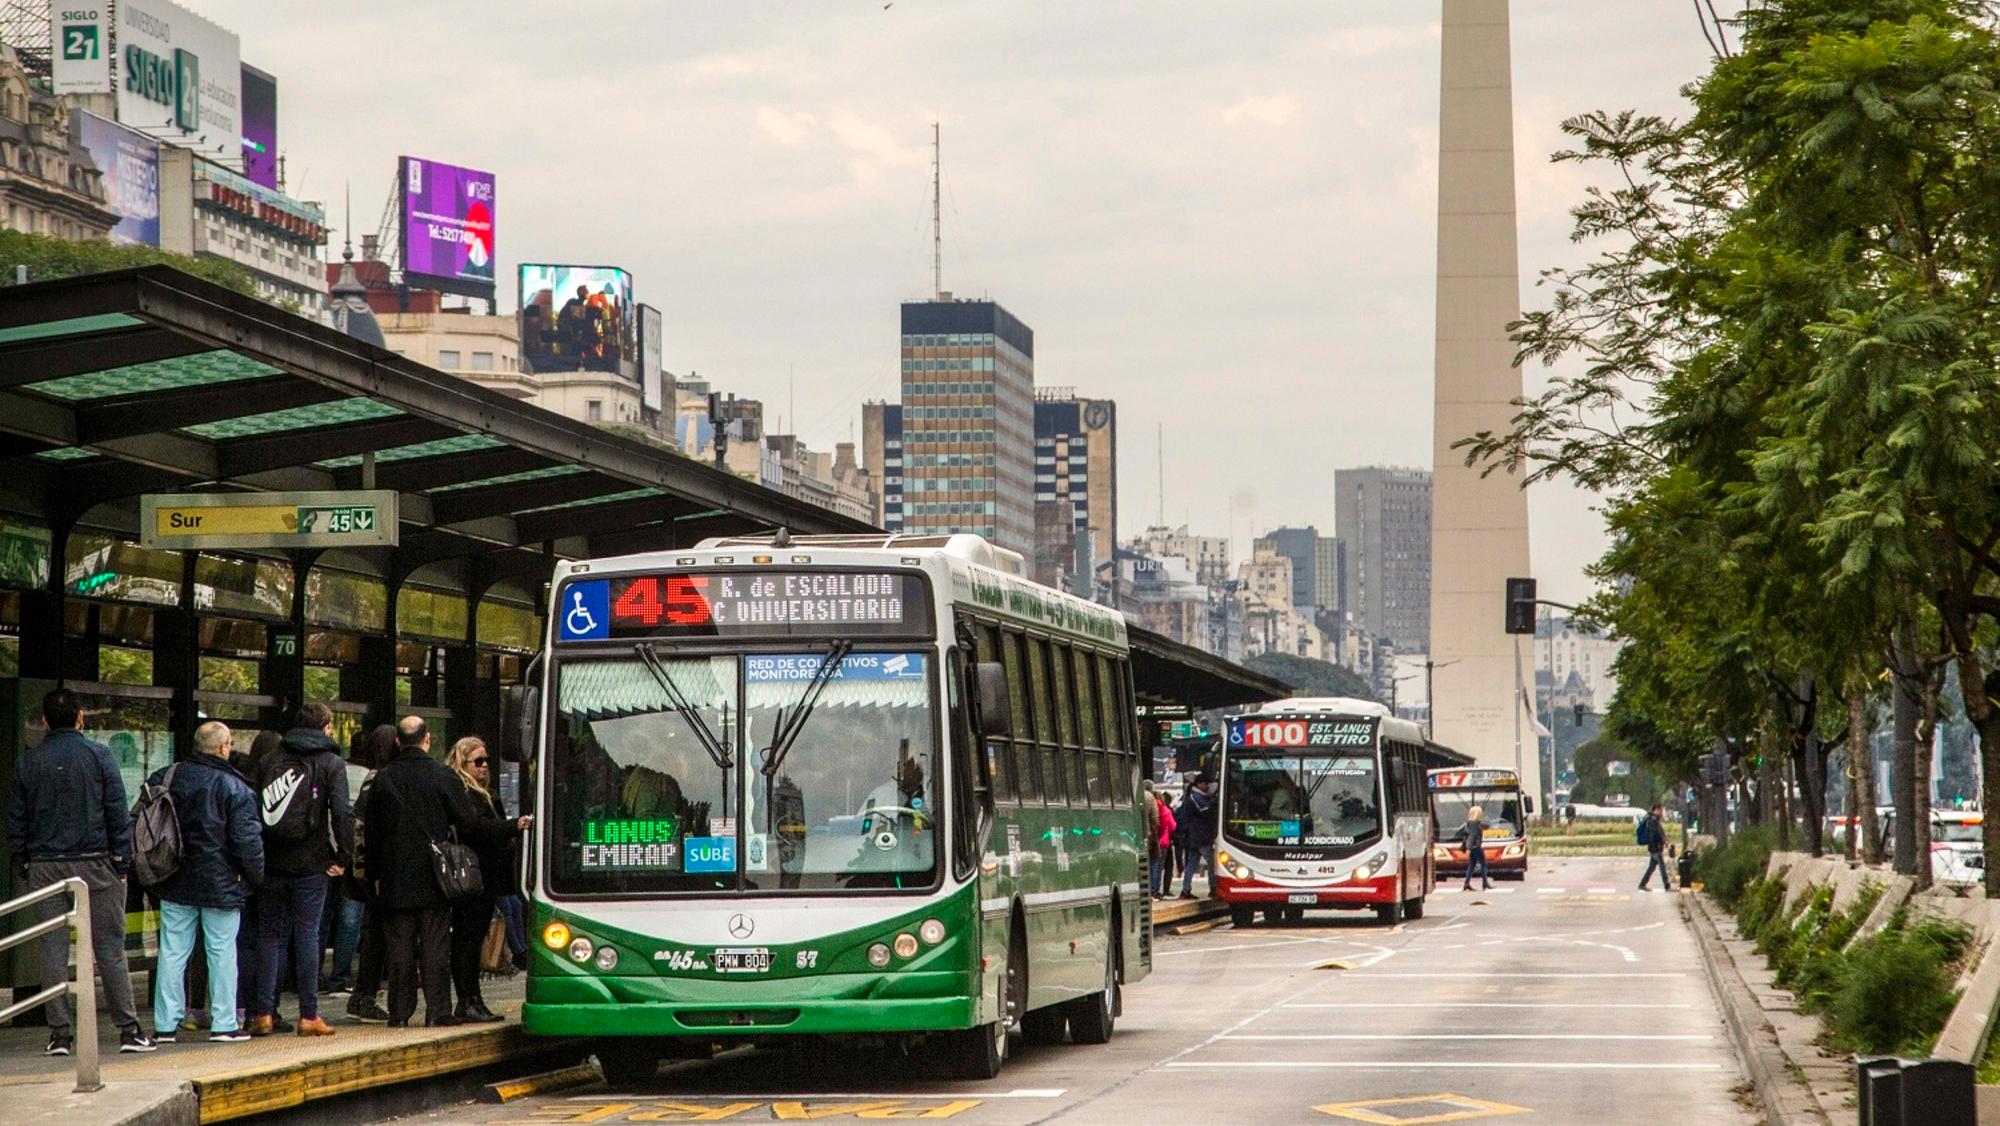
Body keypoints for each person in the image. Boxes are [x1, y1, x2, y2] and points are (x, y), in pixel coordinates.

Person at [5, 689, 153, 1054]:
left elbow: (16, 820)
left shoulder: (29, 762)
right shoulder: (99, 756)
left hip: (44, 865)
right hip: (95, 862)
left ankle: (60, 1034)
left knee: (52, 948)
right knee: (109, 947)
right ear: (81, 717)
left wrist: (24, 860)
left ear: (44, 721)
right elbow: (117, 812)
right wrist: (121, 861)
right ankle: (128, 1030)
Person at [361, 717, 513, 1026]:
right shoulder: (442, 776)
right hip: (434, 874)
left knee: (400, 948)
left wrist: (374, 875)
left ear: (398, 742)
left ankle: (400, 1014)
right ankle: (437, 1012)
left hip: (394, 877)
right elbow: (468, 823)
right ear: (427, 739)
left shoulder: (384, 778)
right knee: (435, 946)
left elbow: (371, 832)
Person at [149, 721, 263, 1043]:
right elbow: (247, 842)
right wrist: (255, 879)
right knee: (222, 951)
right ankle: (224, 1024)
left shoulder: (167, 777)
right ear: (225, 747)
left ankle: (165, 1024)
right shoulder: (235, 788)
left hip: (173, 877)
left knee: (172, 951)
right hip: (221, 882)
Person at [248, 703, 353, 1038]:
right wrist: (343, 857)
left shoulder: (269, 761)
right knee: (307, 935)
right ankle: (309, 1016)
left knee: (269, 936)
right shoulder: (331, 764)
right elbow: (341, 814)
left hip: (271, 863)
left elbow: (253, 811)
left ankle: (263, 1013)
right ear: (324, 727)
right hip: (311, 864)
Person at [442, 737, 527, 1023]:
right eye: (478, 761)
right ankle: (468, 999)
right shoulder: (464, 792)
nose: (484, 766)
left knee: (474, 937)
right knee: (467, 939)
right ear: (462, 762)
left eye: (486, 760)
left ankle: (473, 999)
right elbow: (477, 829)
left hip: (485, 877)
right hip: (472, 877)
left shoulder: (480, 792)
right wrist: (512, 826)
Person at [344, 725, 398, 1024]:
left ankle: (365, 994)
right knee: (377, 935)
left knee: (374, 934)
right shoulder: (381, 779)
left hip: (366, 871)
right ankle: (365, 995)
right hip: (376, 872)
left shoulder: (371, 778)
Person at [1176, 774, 1219, 900]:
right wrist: (1214, 802)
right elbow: (1203, 811)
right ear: (1199, 784)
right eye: (1206, 784)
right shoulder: (1194, 798)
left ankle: (1186, 889)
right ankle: (1213, 888)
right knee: (1212, 863)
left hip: (1196, 836)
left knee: (1192, 863)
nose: (1207, 786)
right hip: (1200, 836)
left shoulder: (1198, 796)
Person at [1638, 804, 1675, 892]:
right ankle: (1667, 885)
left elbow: (1659, 833)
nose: (1662, 813)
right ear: (1656, 810)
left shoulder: (1652, 820)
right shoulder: (1653, 820)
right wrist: (1663, 841)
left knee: (1652, 867)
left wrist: (1664, 840)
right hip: (1655, 847)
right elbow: (1656, 834)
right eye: (1661, 811)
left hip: (1654, 846)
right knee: (1662, 867)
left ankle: (1642, 884)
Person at [1150, 785, 1178, 898]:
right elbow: (1173, 826)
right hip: (1163, 841)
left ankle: (1152, 890)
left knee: (1152, 865)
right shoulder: (1165, 810)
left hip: (1152, 840)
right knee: (1159, 866)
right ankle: (1156, 890)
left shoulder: (1152, 807)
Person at [1462, 805, 1491, 891]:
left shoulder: (1469, 823)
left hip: (1473, 847)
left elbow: (1486, 826)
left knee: (1472, 865)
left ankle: (1466, 883)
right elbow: (1472, 836)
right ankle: (1485, 883)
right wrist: (1469, 847)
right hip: (1476, 846)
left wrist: (1469, 847)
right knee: (1483, 864)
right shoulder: (1475, 823)